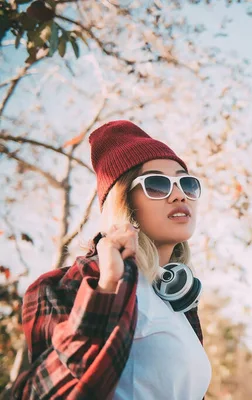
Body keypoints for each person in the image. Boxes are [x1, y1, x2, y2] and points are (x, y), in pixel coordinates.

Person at [11, 120, 212, 399]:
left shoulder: (178, 301)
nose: (179, 194)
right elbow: (37, 393)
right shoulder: (66, 286)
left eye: (187, 183)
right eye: (156, 184)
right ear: (124, 203)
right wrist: (105, 289)